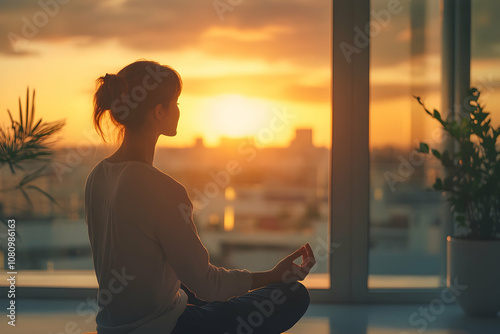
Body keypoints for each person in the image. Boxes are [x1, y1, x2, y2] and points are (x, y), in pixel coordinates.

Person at [84, 59, 316, 334]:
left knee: (186, 286)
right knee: (294, 295)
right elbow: (208, 285)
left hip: (111, 327)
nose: (180, 111)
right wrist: (272, 276)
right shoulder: (163, 189)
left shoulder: (97, 176)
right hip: (164, 328)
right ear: (159, 112)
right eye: (176, 103)